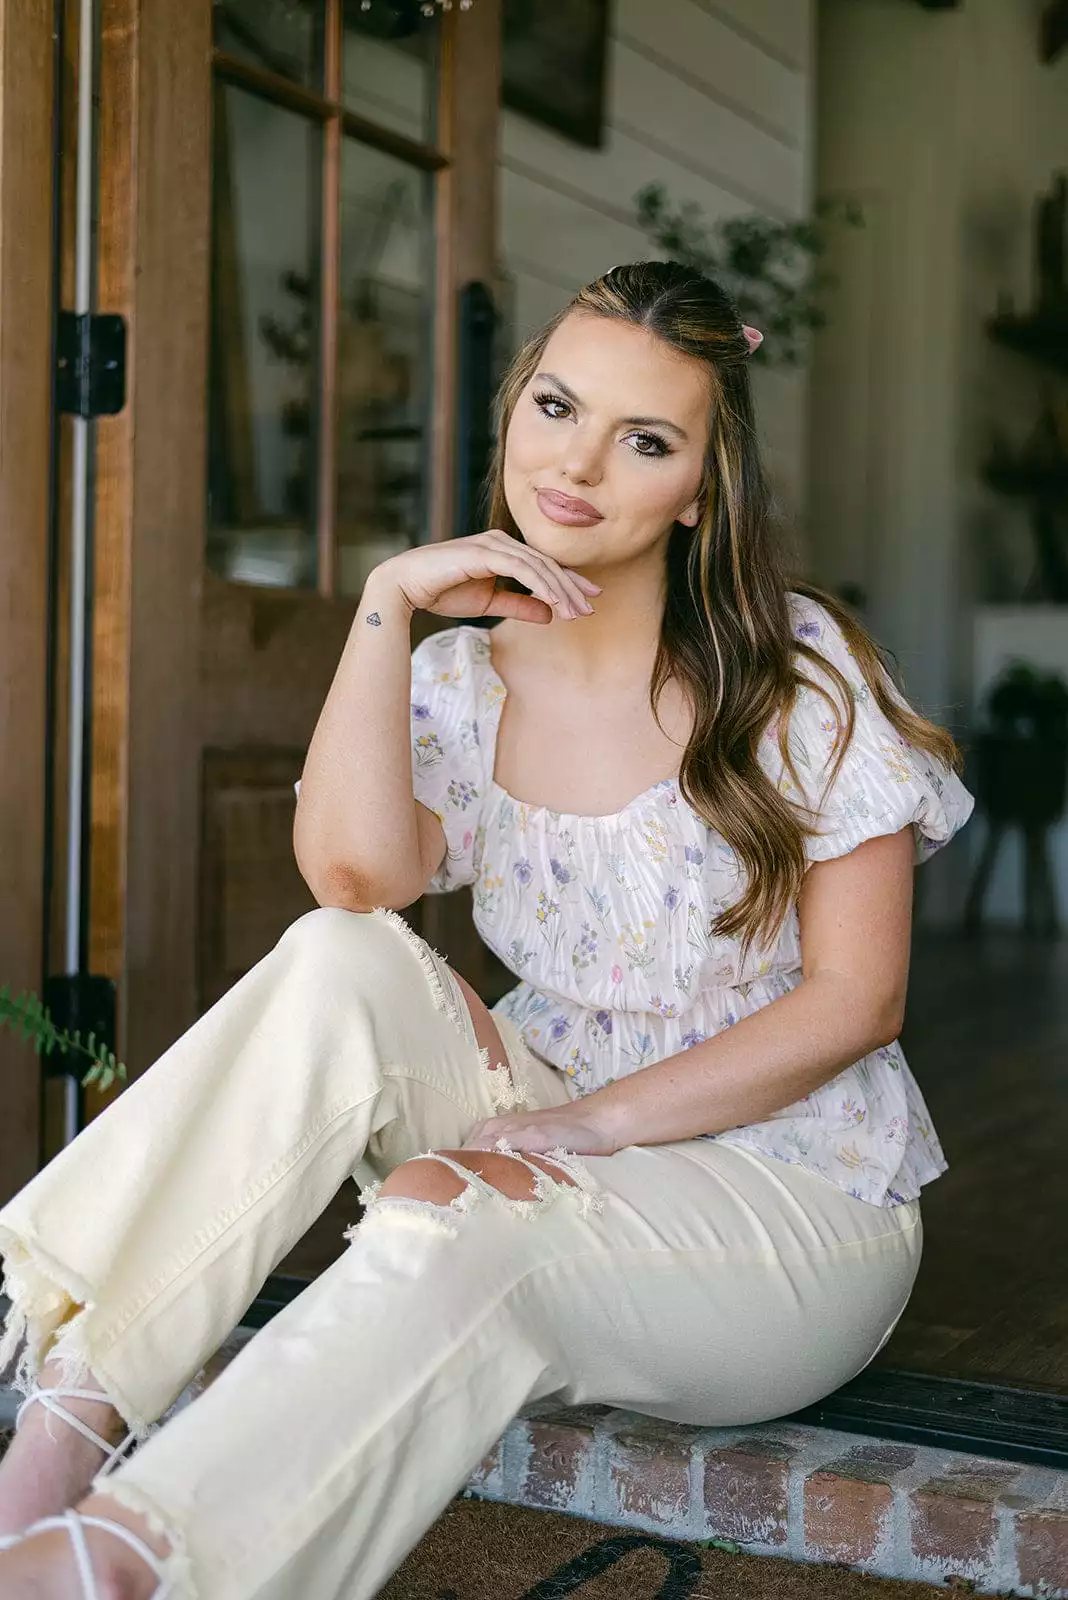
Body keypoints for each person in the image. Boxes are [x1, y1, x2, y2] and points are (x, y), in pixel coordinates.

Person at [0, 261, 973, 1599]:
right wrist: (388, 605)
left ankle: (125, 1571)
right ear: (512, 410)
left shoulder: (795, 671)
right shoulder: (460, 683)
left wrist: (585, 1128)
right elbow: (352, 879)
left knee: (454, 1205)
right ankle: (56, 1440)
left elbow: (856, 1002)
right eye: (556, 408)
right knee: (340, 958)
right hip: (549, 1123)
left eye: (645, 441)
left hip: (793, 1200)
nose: (577, 465)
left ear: (699, 489)